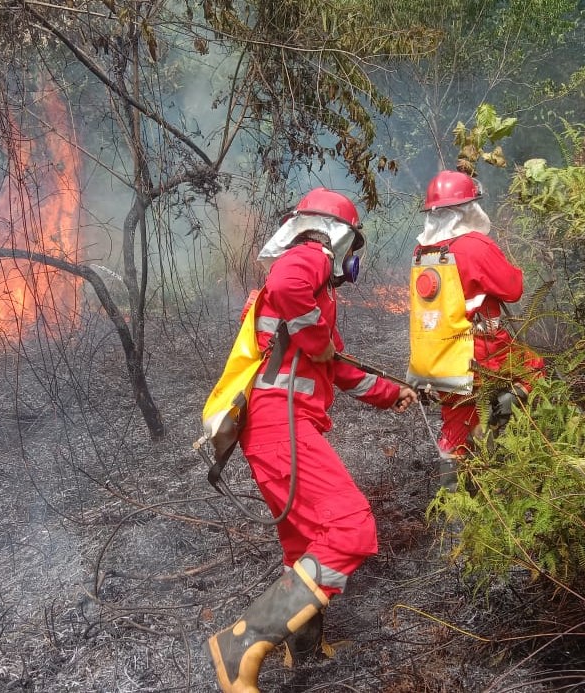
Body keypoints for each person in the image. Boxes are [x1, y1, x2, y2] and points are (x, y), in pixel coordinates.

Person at [207, 187, 418, 693]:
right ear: (340, 239)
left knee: (304, 542)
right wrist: (317, 337)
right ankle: (240, 645)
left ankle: (305, 651)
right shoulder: (309, 258)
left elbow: (336, 366)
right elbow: (291, 290)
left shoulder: (316, 297)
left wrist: (394, 394)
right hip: (280, 424)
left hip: (276, 426)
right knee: (351, 529)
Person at [406, 170, 544, 487]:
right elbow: (513, 289)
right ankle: (496, 422)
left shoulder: (421, 252)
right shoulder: (474, 245)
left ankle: (452, 505)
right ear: (468, 209)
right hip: (477, 352)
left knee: (455, 426)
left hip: (437, 360)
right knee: (534, 368)